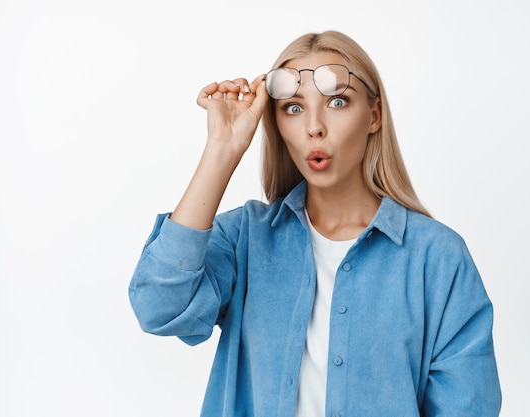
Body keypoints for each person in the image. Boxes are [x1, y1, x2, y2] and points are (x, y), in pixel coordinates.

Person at [129, 30, 502, 417]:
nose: (314, 127)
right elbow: (158, 307)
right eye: (293, 107)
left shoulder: (437, 258)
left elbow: (468, 406)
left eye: (337, 101)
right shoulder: (246, 239)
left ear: (374, 116)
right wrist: (222, 150)